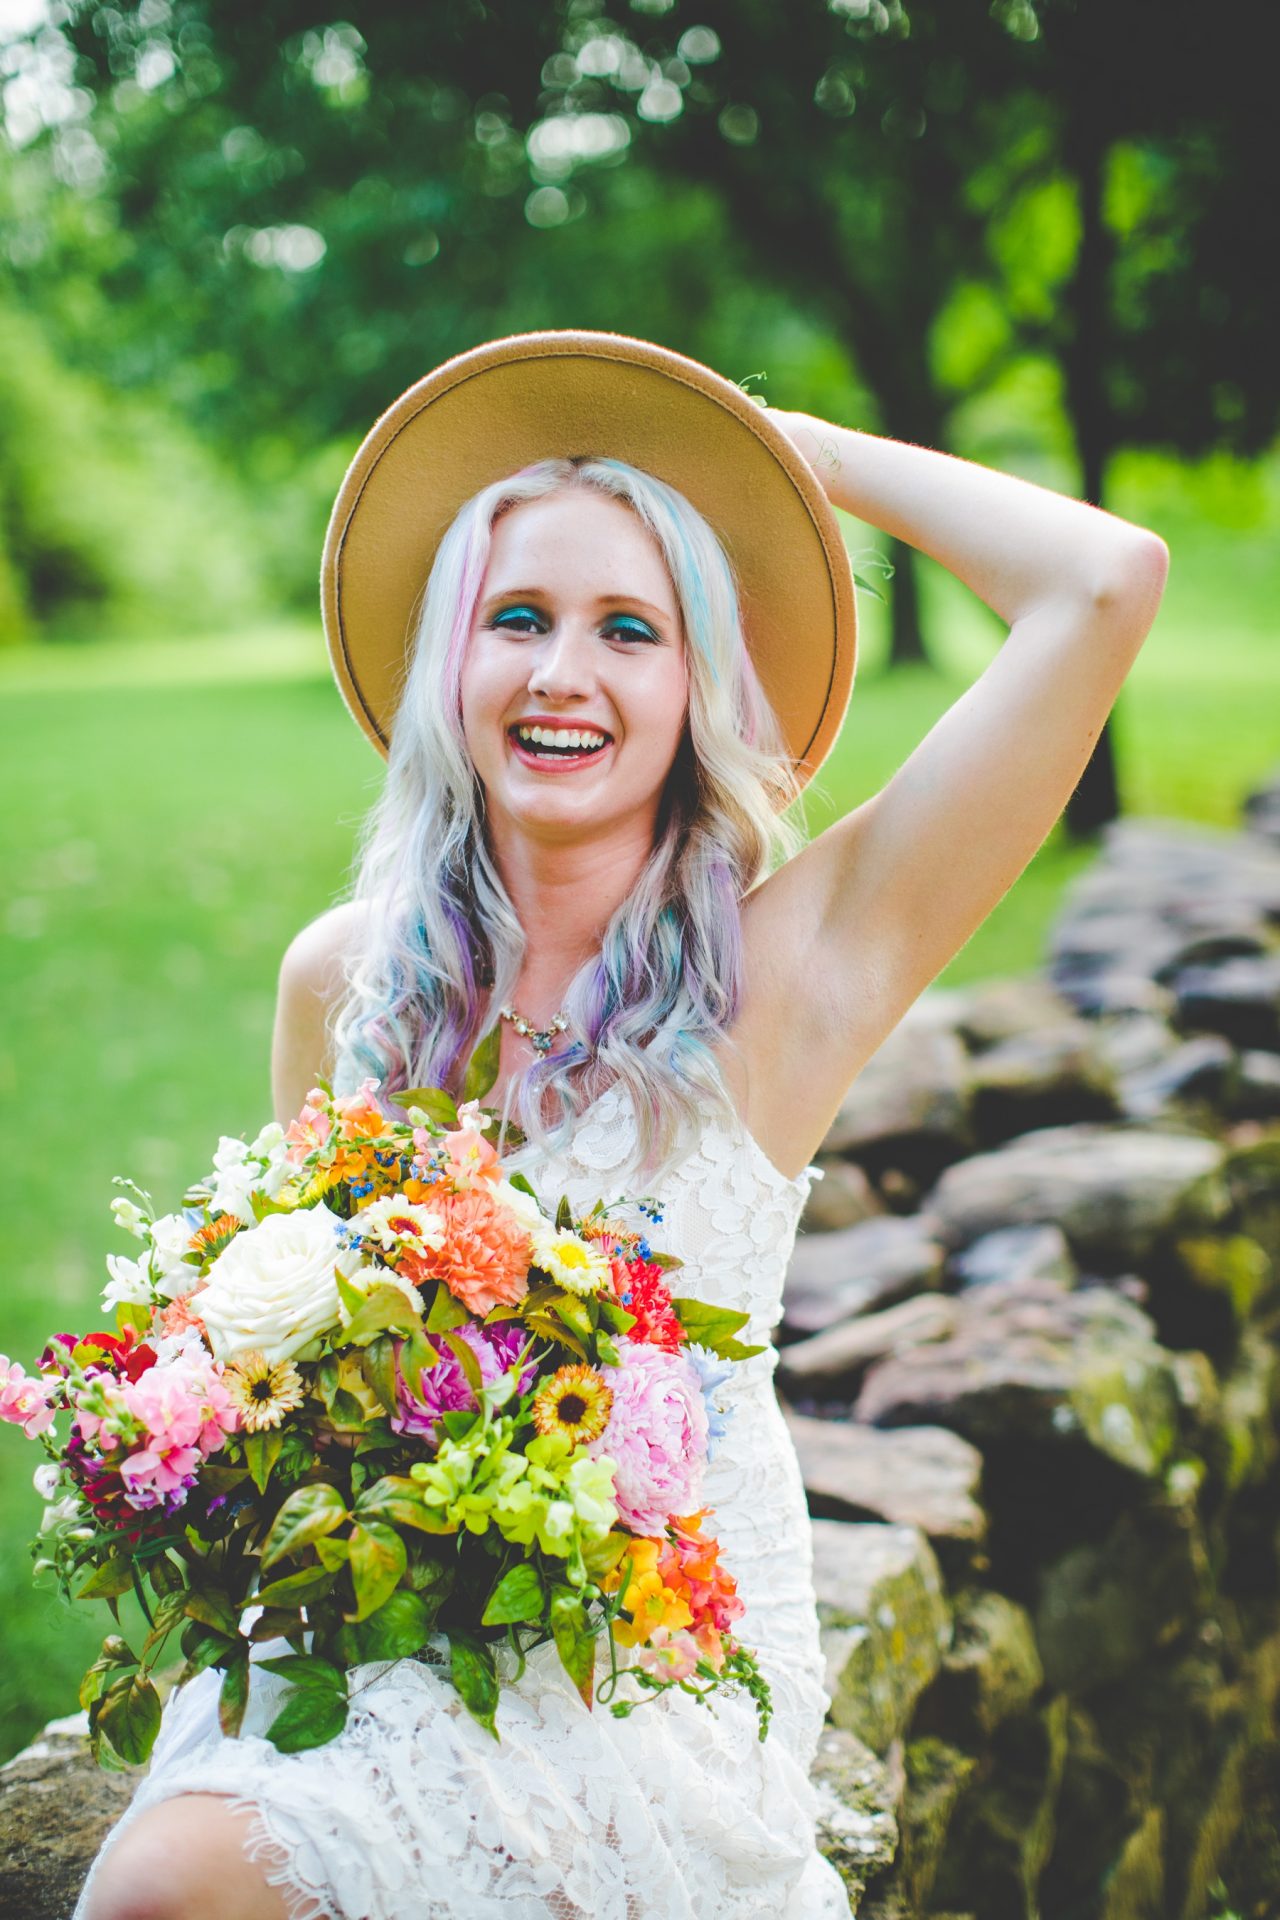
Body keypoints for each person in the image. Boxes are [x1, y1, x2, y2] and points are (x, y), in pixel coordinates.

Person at [76, 331, 1168, 1920]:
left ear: (697, 688)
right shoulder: (346, 986)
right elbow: (314, 1374)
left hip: (663, 1647)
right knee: (156, 1885)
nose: (560, 673)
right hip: (391, 1623)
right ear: (453, 661)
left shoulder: (798, 973)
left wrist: (781, 451)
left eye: (628, 630)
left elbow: (1105, 585)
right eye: (514, 618)